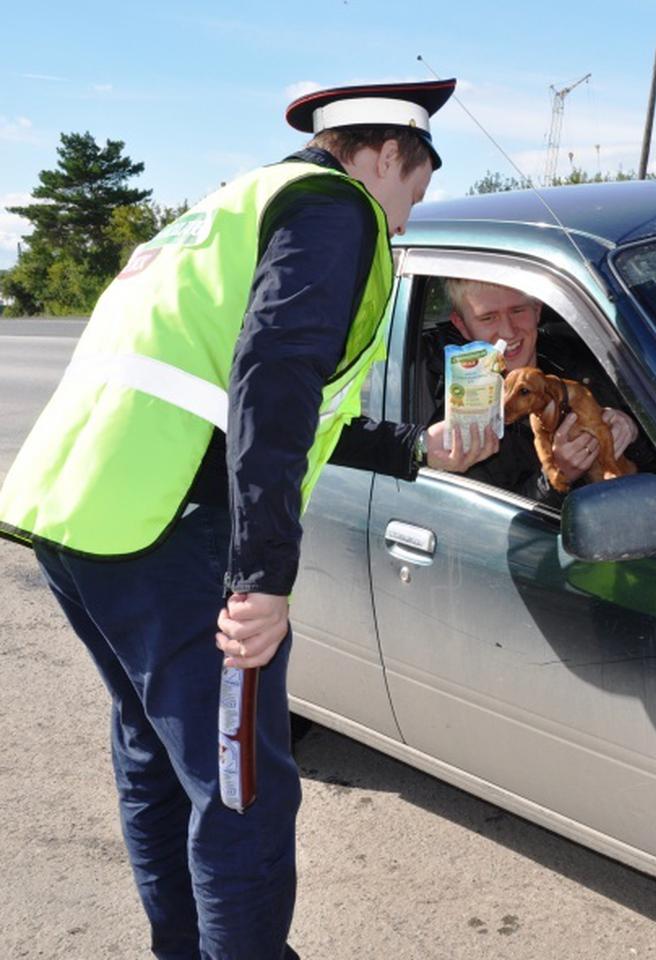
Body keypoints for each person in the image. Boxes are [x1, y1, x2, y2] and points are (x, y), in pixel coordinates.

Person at [0, 80, 492, 959]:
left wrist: (417, 447)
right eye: (413, 194)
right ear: (382, 156)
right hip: (172, 528)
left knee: (160, 759)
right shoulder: (334, 209)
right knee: (244, 790)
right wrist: (264, 577)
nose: (409, 222)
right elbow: (273, 381)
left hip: (81, 512)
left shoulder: (235, 202)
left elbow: (273, 402)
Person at [438, 278, 656, 504]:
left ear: (537, 310)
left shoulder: (592, 361)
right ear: (462, 325)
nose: (508, 331)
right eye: (487, 317)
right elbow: (492, 525)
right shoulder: (460, 419)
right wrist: (555, 475)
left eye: (517, 310)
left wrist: (633, 431)